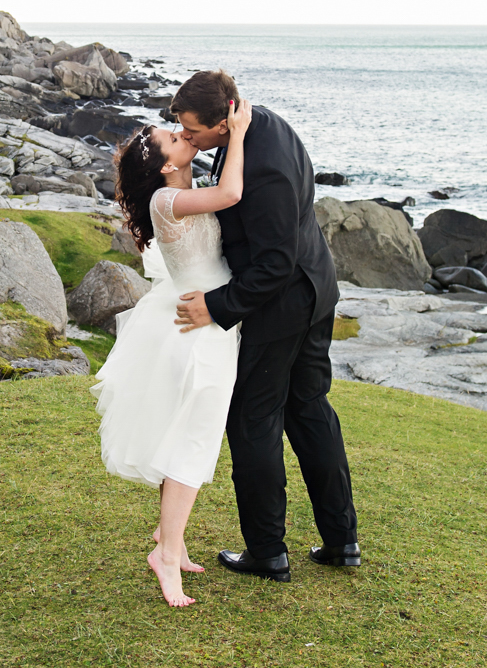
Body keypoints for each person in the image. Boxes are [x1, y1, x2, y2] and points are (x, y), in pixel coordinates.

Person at [170, 70, 359, 583]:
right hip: (314, 287)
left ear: (224, 118)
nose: (187, 139)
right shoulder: (258, 128)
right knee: (308, 408)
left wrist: (217, 305)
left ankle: (267, 551)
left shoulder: (266, 159)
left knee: (254, 419)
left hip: (286, 302)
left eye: (192, 132)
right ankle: (342, 541)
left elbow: (275, 262)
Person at [90, 98, 252, 607]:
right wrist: (239, 132)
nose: (188, 138)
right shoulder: (167, 200)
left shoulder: (184, 191)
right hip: (199, 333)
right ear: (166, 164)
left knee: (187, 434)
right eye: (178, 139)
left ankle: (168, 541)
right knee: (194, 441)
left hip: (208, 321)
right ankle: (167, 555)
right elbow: (233, 192)